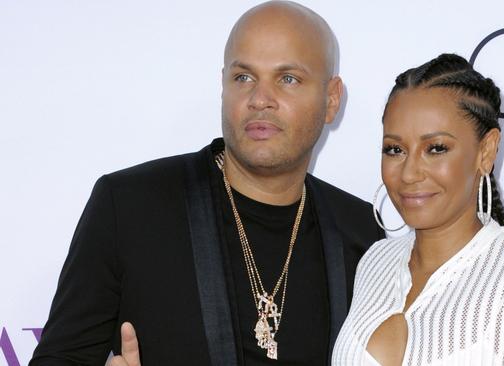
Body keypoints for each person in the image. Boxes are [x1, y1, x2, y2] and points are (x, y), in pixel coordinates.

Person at [30, 2, 384, 365]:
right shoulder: (130, 207)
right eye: (243, 77)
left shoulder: (363, 235)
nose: (260, 99)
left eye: (288, 79)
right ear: (223, 86)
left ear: (331, 99)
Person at [332, 54, 504, 365]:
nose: (409, 173)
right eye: (395, 149)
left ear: (486, 152)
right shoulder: (374, 263)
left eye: (436, 149)